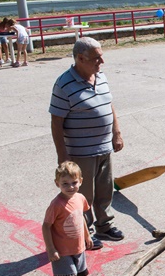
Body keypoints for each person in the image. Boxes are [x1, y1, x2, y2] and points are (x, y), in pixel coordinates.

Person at [50, 37, 125, 249]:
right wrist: (62, 156)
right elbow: (56, 122)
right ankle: (86, 232)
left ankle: (104, 225)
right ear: (80, 58)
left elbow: (109, 105)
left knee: (105, 190)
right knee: (84, 195)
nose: (101, 62)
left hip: (104, 147)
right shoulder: (64, 84)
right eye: (97, 58)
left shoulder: (100, 77)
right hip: (80, 151)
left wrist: (116, 133)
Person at [41, 161, 93, 276]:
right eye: (65, 184)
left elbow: (81, 217)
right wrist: (51, 249)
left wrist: (87, 235)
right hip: (62, 250)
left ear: (81, 181)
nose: (70, 187)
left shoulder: (80, 198)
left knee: (78, 275)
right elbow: (46, 226)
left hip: (78, 247)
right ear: (57, 184)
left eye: (74, 183)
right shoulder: (56, 205)